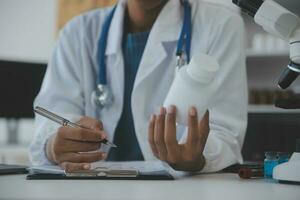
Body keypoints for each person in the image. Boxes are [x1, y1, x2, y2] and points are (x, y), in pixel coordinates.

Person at [30, 0, 248, 172]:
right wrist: (53, 145)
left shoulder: (220, 25)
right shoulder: (77, 33)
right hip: (92, 188)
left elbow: (225, 133)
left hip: (179, 192)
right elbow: (50, 119)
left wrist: (197, 159)